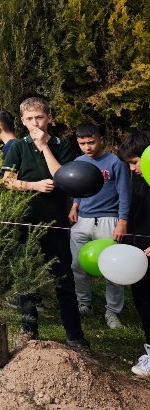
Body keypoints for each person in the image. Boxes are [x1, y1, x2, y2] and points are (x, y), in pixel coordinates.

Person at [3, 96, 89, 353]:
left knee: (63, 277)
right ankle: (28, 329)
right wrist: (33, 186)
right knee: (25, 275)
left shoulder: (63, 144)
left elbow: (64, 179)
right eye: (29, 119)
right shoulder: (17, 147)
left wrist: (44, 147)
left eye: (39, 117)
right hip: (25, 221)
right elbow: (7, 181)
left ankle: (75, 335)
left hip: (55, 223)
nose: (35, 123)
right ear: (22, 121)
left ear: (49, 118)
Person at [68, 123, 131, 329]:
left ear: (100, 139)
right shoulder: (79, 161)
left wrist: (122, 221)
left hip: (109, 221)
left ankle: (112, 311)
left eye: (91, 142)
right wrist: (75, 205)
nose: (87, 147)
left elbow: (124, 193)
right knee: (77, 265)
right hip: (83, 221)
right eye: (82, 143)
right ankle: (83, 304)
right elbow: (78, 186)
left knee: (112, 270)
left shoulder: (116, 162)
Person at [117, 131, 150, 377]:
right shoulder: (137, 181)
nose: (133, 168)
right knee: (143, 299)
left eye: (135, 162)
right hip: (139, 251)